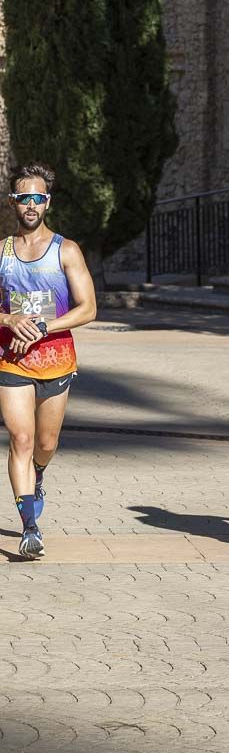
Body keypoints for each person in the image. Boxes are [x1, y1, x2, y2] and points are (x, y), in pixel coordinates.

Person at [0, 163, 96, 558]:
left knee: (45, 442)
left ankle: (38, 473)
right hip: (12, 360)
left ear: (48, 202)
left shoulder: (66, 250)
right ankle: (30, 527)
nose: (31, 204)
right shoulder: (2, 251)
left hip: (56, 360)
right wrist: (9, 319)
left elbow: (88, 308)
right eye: (24, 198)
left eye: (38, 198)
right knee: (20, 439)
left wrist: (46, 326)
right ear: (13, 202)